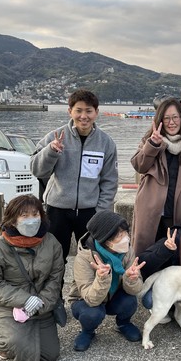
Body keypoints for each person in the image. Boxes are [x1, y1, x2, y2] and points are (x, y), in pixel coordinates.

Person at [0, 194, 64, 361]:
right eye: (24, 215)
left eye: (35, 214)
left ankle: (20, 345)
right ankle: (6, 346)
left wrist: (41, 303)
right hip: (7, 306)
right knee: (19, 344)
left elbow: (55, 279)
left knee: (49, 356)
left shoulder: (51, 242)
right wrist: (23, 300)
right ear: (13, 219)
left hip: (41, 305)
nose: (31, 220)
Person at [31, 89, 118, 261]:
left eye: (88, 111)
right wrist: (51, 151)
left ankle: (81, 288)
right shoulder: (55, 137)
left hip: (89, 212)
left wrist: (100, 211)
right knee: (53, 258)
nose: (83, 116)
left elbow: (109, 181)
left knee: (90, 259)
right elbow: (36, 170)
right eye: (78, 110)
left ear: (96, 113)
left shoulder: (106, 143)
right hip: (57, 209)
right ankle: (53, 289)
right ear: (70, 111)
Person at [131, 98, 181, 255]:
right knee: (145, 254)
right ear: (160, 120)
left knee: (174, 254)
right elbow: (139, 165)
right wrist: (153, 145)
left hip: (178, 209)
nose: (172, 122)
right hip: (150, 209)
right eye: (167, 118)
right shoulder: (150, 140)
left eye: (175, 117)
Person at [67, 210, 145, 351]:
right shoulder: (84, 258)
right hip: (86, 300)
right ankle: (87, 331)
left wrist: (131, 279)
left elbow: (137, 289)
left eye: (126, 233)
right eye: (120, 236)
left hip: (113, 295)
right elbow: (91, 300)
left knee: (130, 301)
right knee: (93, 314)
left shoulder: (127, 250)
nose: (126, 238)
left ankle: (123, 323)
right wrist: (102, 278)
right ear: (106, 241)